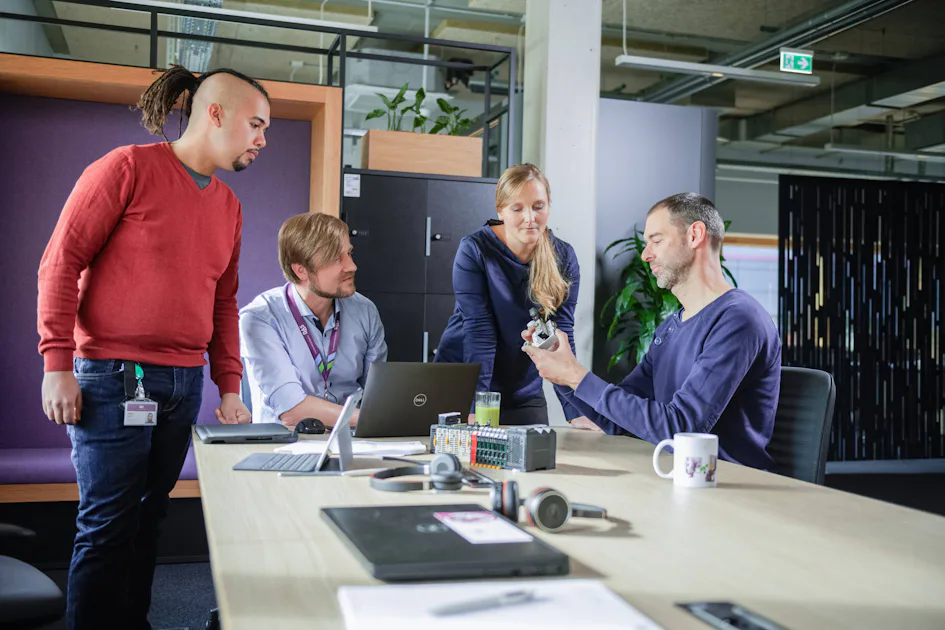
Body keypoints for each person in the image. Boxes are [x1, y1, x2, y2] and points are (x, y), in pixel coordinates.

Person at [37, 64, 268, 629]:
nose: (263, 139)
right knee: (108, 525)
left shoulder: (230, 207)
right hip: (112, 377)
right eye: (256, 124)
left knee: (149, 521)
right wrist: (57, 364)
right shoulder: (125, 168)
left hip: (182, 383)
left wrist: (230, 386)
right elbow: (60, 263)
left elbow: (223, 302)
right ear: (215, 114)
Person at [522, 193, 780, 470]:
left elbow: (681, 429)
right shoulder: (671, 326)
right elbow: (613, 418)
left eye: (656, 241)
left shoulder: (738, 319)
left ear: (695, 235)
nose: (645, 255)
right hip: (673, 477)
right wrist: (561, 371)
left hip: (729, 486)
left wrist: (576, 375)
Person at [434, 163, 586, 426]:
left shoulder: (563, 257)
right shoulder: (475, 250)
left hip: (522, 391)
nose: (530, 218)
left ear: (548, 206)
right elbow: (480, 332)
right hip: (463, 386)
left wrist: (576, 411)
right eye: (517, 208)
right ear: (500, 210)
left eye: (538, 206)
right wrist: (474, 407)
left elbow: (559, 337)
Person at [240, 213, 387, 428]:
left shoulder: (364, 310)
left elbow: (377, 396)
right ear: (301, 271)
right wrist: (376, 420)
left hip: (353, 440)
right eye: (336, 258)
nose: (352, 266)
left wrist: (386, 418)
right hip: (284, 448)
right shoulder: (260, 319)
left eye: (349, 253)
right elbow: (293, 411)